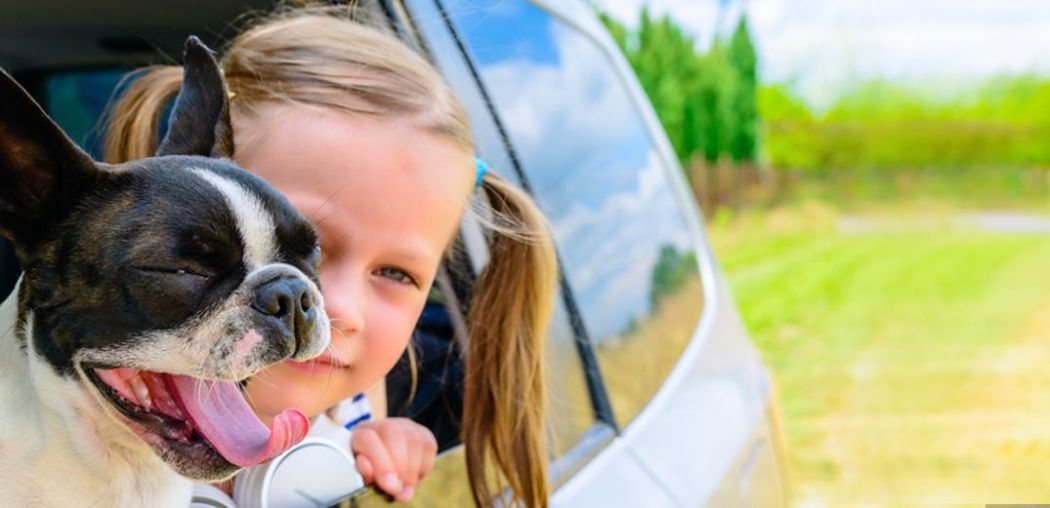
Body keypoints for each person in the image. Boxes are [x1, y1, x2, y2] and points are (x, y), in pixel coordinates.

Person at [104, 6, 557, 507]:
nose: (338, 307)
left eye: (395, 273)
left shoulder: (356, 408)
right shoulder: (62, 436)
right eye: (303, 245)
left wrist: (385, 444)